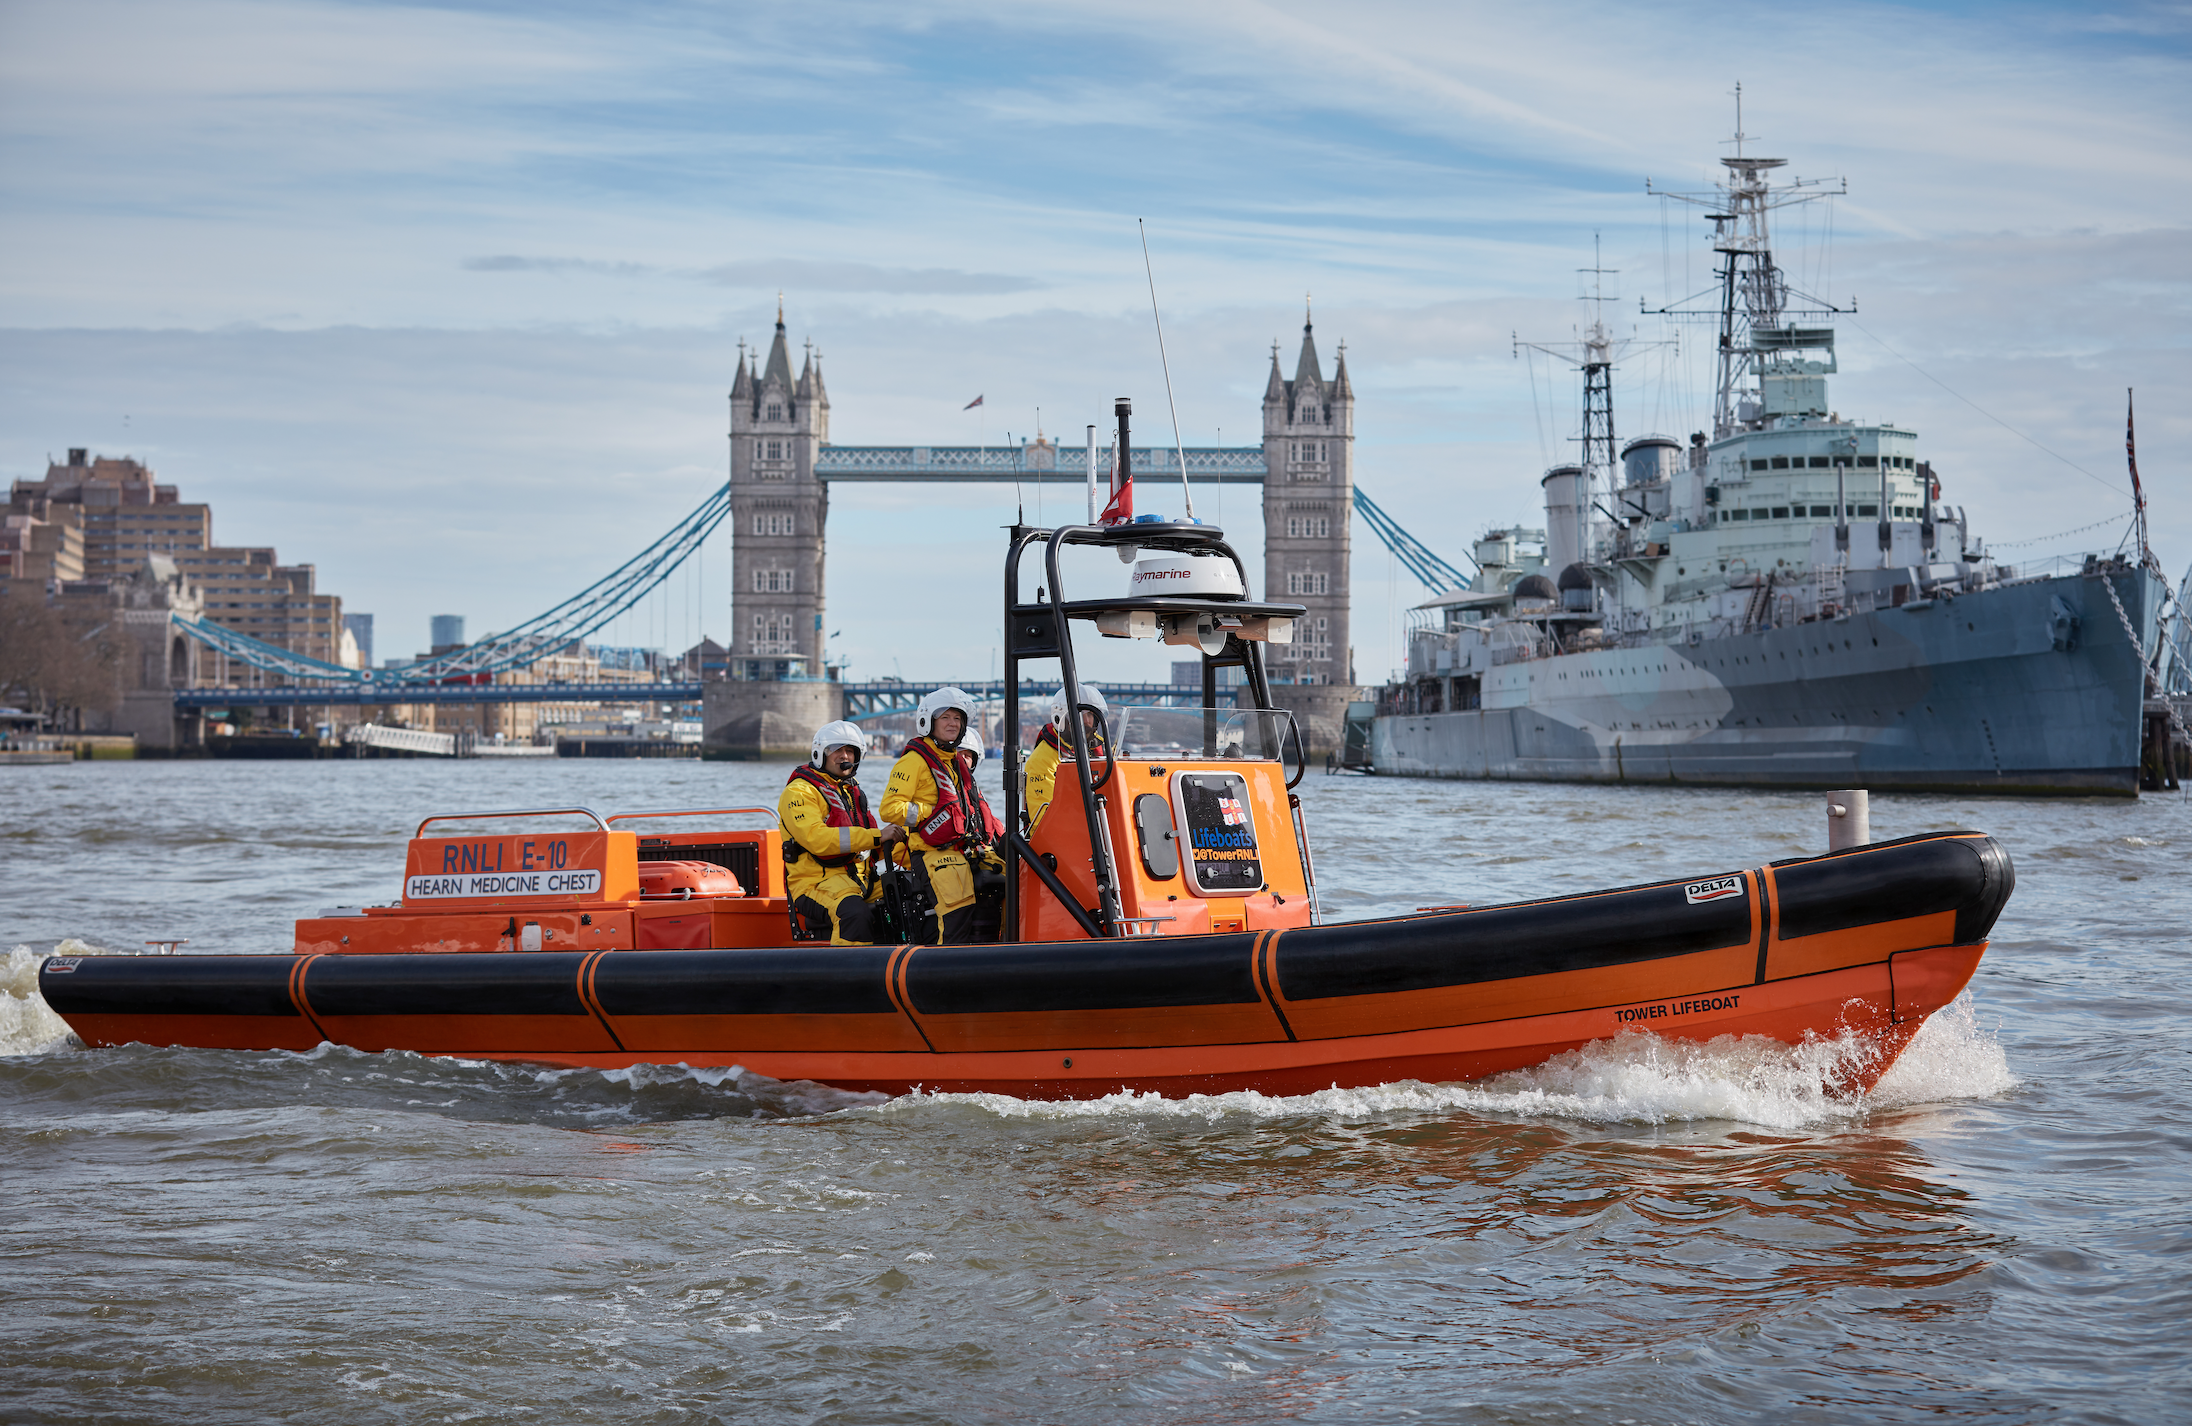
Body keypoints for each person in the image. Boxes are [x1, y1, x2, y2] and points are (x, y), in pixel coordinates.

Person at [880, 687, 1006, 943]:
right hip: (931, 853)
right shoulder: (914, 761)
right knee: (956, 917)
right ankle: (943, 964)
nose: (952, 723)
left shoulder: (953, 762)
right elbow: (889, 808)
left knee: (1007, 884)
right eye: (945, 717)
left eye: (957, 718)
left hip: (963, 850)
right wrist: (931, 813)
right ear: (929, 722)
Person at [778, 720, 903, 944]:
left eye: (850, 751)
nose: (844, 756)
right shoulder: (799, 792)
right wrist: (877, 836)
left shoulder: (851, 791)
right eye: (836, 750)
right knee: (854, 914)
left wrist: (909, 844)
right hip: (815, 884)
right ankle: (851, 965)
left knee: (910, 894)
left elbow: (871, 848)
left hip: (860, 880)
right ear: (820, 754)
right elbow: (817, 840)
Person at [1022, 683, 1108, 835]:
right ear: (1060, 719)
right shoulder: (1042, 760)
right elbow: (1045, 821)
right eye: (1081, 715)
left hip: (1096, 832)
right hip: (1059, 839)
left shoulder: (1101, 750)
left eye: (1091, 715)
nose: (1087, 721)